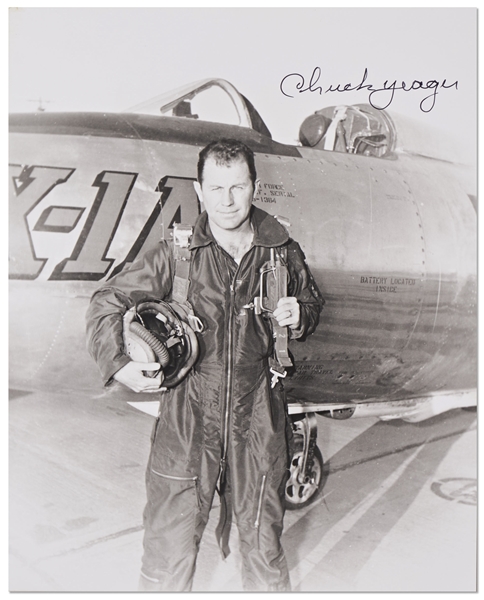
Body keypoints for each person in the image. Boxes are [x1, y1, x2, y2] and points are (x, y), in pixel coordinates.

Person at [86, 138, 323, 592]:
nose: (227, 200)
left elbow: (312, 303)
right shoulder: (177, 255)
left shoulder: (282, 251)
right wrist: (117, 363)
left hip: (259, 414)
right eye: (216, 188)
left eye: (238, 186)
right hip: (188, 414)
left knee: (264, 545)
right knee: (168, 546)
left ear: (254, 186)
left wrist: (300, 313)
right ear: (199, 190)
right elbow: (107, 300)